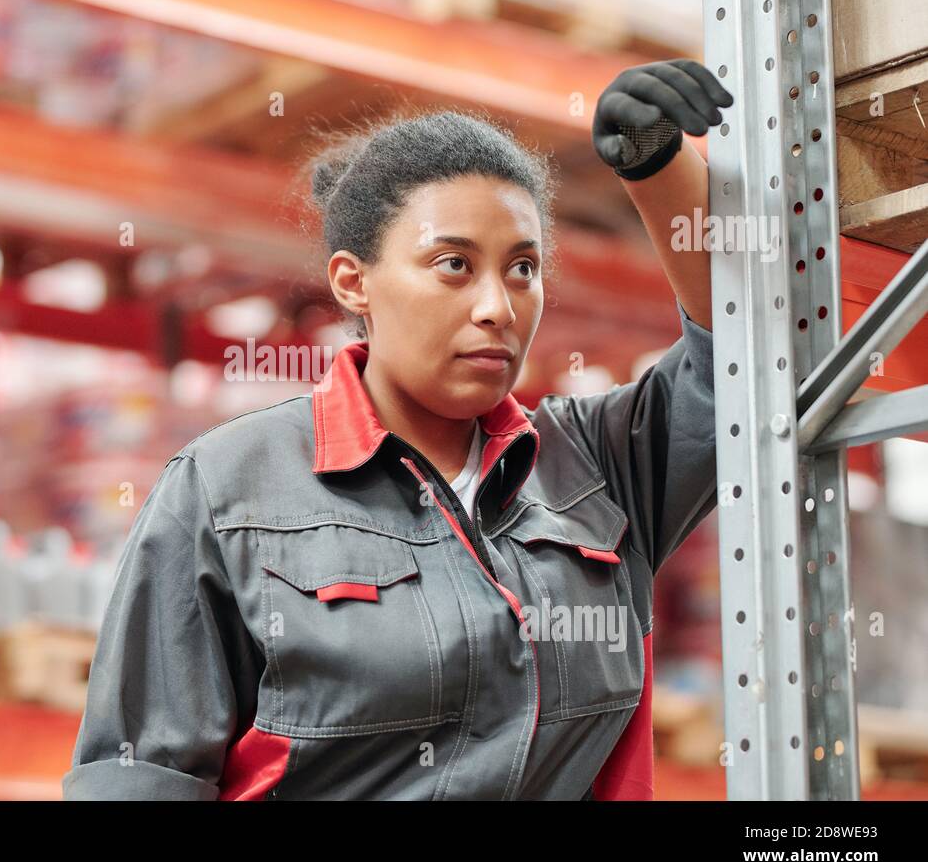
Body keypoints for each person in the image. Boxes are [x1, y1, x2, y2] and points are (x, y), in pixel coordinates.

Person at [63, 60, 734, 800]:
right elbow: (139, 778)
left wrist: (660, 171)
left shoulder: (600, 468)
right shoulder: (227, 492)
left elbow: (741, 359)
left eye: (522, 268)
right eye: (454, 265)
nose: (497, 308)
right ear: (354, 281)